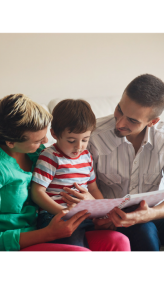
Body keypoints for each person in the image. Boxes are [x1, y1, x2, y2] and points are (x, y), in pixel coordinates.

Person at [60, 74, 164, 252]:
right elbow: (81, 186)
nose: (120, 123)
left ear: (153, 122)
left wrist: (148, 214)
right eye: (119, 110)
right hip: (114, 219)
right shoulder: (93, 136)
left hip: (154, 213)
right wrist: (94, 209)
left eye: (132, 120)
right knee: (144, 231)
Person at [0, 93, 130, 252]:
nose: (45, 142)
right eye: (37, 140)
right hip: (11, 243)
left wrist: (96, 211)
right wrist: (49, 233)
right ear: (11, 142)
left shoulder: (35, 152)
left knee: (118, 242)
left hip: (48, 230)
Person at [31, 99, 130, 251]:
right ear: (54, 134)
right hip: (56, 216)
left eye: (85, 139)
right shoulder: (50, 156)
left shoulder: (86, 156)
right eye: (71, 140)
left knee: (117, 236)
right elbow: (37, 192)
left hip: (84, 216)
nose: (78, 146)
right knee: (76, 247)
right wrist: (62, 212)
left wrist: (104, 211)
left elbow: (93, 188)